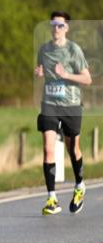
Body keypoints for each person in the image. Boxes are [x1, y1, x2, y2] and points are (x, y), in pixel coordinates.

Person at [36, 11, 92, 215]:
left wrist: (66, 74)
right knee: (48, 149)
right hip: (49, 104)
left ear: (66, 28)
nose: (56, 28)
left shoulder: (73, 50)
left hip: (71, 105)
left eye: (60, 25)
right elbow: (42, 70)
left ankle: (79, 186)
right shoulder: (44, 50)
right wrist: (40, 73)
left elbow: (87, 79)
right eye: (53, 24)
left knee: (72, 148)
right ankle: (52, 198)